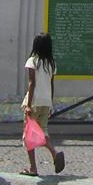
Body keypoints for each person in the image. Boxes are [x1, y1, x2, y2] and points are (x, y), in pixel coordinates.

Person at [21, 32, 65, 175]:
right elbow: (52, 85)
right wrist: (51, 103)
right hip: (46, 102)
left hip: (34, 101)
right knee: (43, 131)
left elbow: (32, 83)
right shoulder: (51, 63)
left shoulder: (32, 61)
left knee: (28, 134)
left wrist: (28, 104)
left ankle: (33, 168)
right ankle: (54, 153)